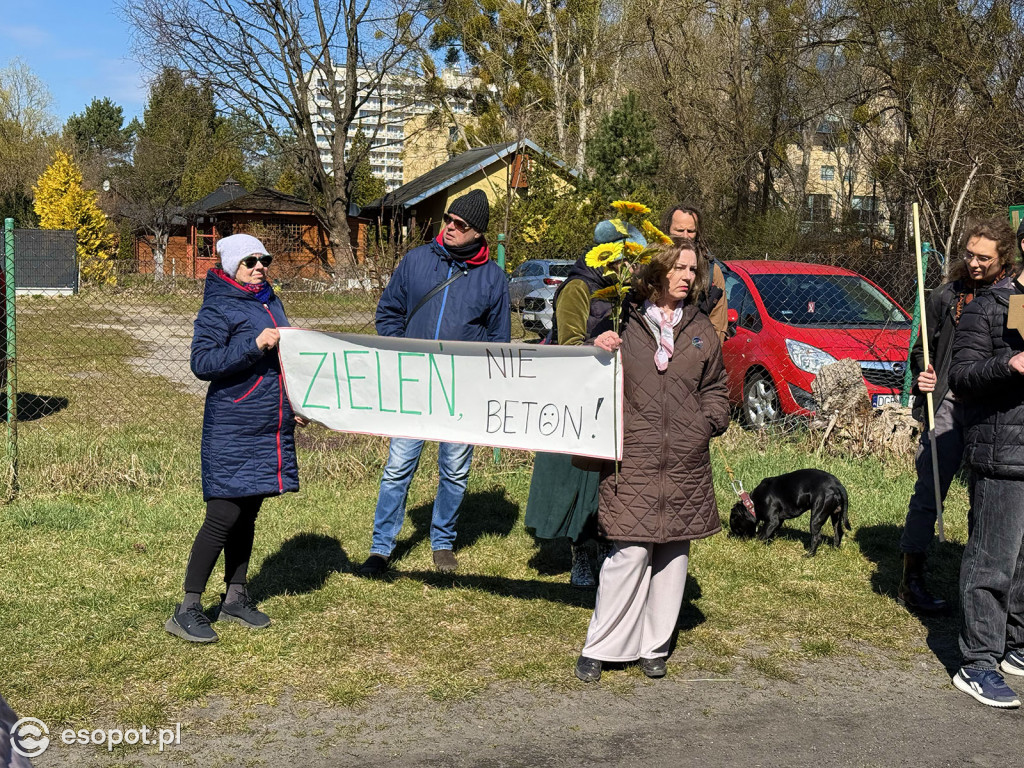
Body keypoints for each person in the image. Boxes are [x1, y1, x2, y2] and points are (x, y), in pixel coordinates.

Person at [574, 240, 730, 682]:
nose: (686, 276)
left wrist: (706, 424)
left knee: (672, 555)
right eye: (678, 267)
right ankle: (601, 645)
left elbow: (717, 388)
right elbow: (587, 372)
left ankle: (654, 646)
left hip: (686, 461)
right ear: (658, 271)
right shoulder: (626, 318)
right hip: (635, 457)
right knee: (629, 550)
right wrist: (597, 344)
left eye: (691, 269)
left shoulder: (701, 330)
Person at [358, 190, 511, 576]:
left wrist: (483, 386)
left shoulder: (493, 278)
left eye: (461, 225)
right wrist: (402, 351)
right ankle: (381, 547)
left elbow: (498, 341)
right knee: (398, 466)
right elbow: (388, 312)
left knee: (455, 470)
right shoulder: (415, 261)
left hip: (462, 390)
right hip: (414, 385)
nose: (451, 228)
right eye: (448, 220)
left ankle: (442, 540)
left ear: (478, 234)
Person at [165, 233, 304, 643]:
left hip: (267, 421)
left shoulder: (268, 299)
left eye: (264, 259)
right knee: (223, 515)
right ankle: (187, 608)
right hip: (232, 424)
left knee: (248, 512)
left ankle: (235, 598)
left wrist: (295, 402)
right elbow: (202, 362)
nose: (259, 266)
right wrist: (254, 343)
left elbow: (285, 360)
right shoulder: (218, 305)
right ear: (231, 267)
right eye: (250, 261)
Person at [900, 219, 1019, 614]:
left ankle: (978, 577)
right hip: (949, 401)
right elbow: (923, 348)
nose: (974, 263)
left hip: (994, 407)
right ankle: (911, 576)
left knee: (984, 496)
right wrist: (925, 373)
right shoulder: (946, 296)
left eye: (984, 257)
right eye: (969, 254)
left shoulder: (1015, 297)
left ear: (1004, 258)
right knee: (930, 490)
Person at [523, 219, 650, 587]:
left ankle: (607, 546)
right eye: (629, 258)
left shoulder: (621, 292)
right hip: (578, 399)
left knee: (607, 480)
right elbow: (568, 345)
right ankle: (581, 554)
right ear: (609, 256)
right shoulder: (579, 289)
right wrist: (594, 346)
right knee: (581, 478)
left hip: (613, 395)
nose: (633, 266)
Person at [948, 217, 1024, 709]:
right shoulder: (991, 306)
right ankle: (977, 662)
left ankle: (1016, 648)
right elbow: (961, 374)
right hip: (1002, 453)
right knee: (992, 562)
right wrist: (1009, 365)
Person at [661, 204, 728, 341]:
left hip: (694, 349)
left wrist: (708, 353)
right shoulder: (652, 263)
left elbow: (718, 324)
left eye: (690, 231)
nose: (685, 236)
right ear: (667, 230)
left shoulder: (711, 271)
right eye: (679, 230)